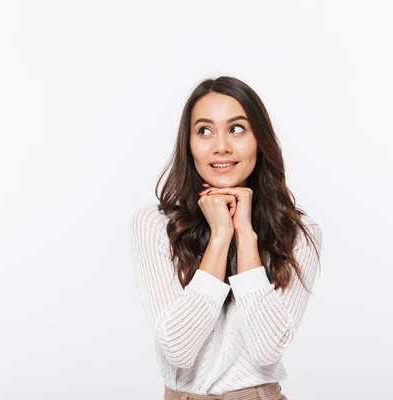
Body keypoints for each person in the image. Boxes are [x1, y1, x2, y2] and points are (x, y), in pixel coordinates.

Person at [128, 76, 323, 400]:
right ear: (188, 144)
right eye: (205, 130)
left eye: (237, 128)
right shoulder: (155, 224)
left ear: (259, 139)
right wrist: (220, 237)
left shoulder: (297, 233)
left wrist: (245, 234)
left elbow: (267, 351)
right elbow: (178, 349)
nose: (221, 146)